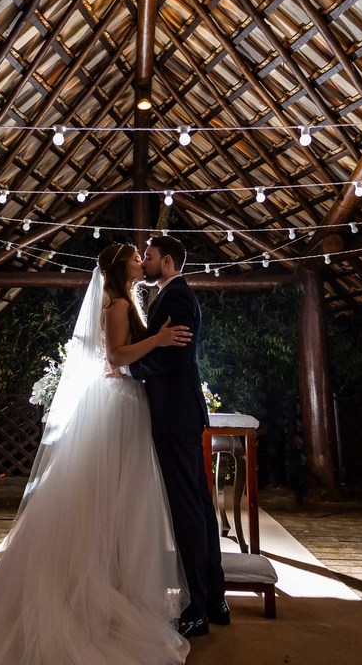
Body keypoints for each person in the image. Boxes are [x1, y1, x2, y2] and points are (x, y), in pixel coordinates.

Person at [0, 242, 193, 665]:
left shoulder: (128, 300)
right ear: (122, 267)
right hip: (118, 406)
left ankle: (116, 582)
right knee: (108, 497)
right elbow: (116, 356)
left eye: (146, 255)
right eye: (137, 257)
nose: (143, 260)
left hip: (127, 404)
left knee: (122, 500)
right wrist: (156, 339)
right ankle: (95, 588)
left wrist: (149, 344)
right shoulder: (117, 305)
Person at [130, 234, 228, 638]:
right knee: (198, 505)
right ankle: (214, 599)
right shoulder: (170, 296)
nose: (145, 262)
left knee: (187, 508)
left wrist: (130, 370)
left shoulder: (177, 297)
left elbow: (175, 357)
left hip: (175, 415)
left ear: (167, 261)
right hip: (179, 414)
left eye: (149, 257)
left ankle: (197, 609)